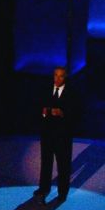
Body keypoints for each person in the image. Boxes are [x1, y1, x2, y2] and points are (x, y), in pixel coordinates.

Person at [35, 65, 75, 201]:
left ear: (65, 77)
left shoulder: (71, 92)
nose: (57, 79)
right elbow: (39, 106)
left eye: (61, 76)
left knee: (63, 164)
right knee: (46, 162)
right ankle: (44, 188)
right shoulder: (46, 90)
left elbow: (77, 113)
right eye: (55, 75)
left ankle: (62, 193)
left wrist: (62, 113)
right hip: (47, 134)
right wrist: (44, 112)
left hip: (63, 136)